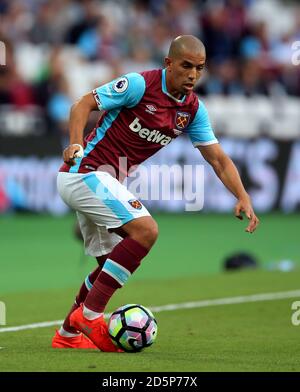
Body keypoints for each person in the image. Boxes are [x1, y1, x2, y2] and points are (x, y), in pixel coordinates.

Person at [52, 35, 259, 352]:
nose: (192, 75)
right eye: (186, 66)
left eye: (199, 68)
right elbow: (83, 104)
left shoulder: (192, 109)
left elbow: (217, 158)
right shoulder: (139, 85)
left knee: (109, 263)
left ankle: (67, 334)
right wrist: (75, 143)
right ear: (169, 63)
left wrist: (242, 195)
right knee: (146, 231)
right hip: (84, 172)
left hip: (104, 183)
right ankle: (91, 317)